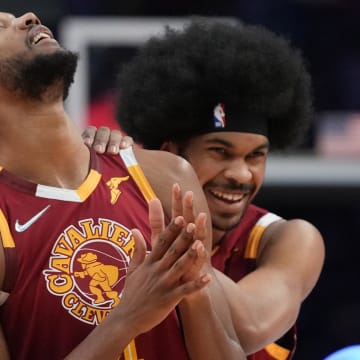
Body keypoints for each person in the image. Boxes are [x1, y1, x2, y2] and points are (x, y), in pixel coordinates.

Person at [0, 11, 244, 360]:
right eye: (0, 25)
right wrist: (127, 319)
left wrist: (192, 291)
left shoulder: (167, 176)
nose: (28, 17)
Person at [83, 17, 326, 360]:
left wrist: (177, 252)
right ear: (169, 154)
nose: (242, 174)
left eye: (256, 156)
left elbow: (248, 328)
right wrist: (91, 162)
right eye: (220, 152)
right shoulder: (121, 223)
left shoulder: (290, 239)